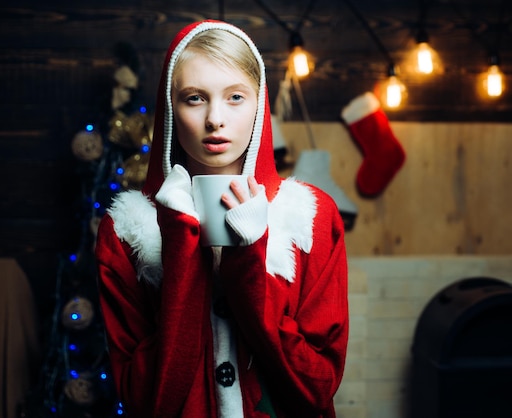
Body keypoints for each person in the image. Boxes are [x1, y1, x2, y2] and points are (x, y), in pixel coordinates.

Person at [95, 20, 349, 418]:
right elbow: (148, 403)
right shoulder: (127, 230)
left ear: (259, 103)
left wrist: (249, 258)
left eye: (235, 97)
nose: (215, 118)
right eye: (195, 98)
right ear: (170, 108)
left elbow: (315, 387)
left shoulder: (309, 218)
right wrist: (180, 248)